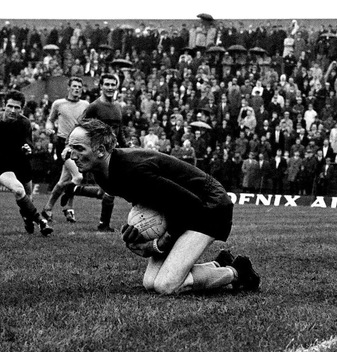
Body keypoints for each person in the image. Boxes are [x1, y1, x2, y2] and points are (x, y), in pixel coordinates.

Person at [67, 118, 260, 295]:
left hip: (209, 207)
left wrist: (158, 244)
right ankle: (219, 263)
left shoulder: (133, 170)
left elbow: (188, 205)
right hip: (183, 208)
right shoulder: (103, 172)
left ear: (100, 150)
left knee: (166, 285)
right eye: (70, 147)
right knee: (150, 282)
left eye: (78, 148)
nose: (71, 154)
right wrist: (138, 230)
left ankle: (237, 271)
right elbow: (149, 201)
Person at [0, 90, 53, 236]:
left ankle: (27, 218)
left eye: (17, 108)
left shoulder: (25, 123)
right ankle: (41, 222)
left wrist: (28, 149)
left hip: (21, 161)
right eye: (10, 106)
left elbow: (29, 143)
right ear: (4, 105)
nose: (13, 110)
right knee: (19, 191)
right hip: (1, 164)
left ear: (22, 109)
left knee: (28, 197)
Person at [40, 77, 90, 223]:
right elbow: (50, 119)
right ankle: (68, 207)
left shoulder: (85, 105)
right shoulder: (59, 104)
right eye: (74, 86)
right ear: (68, 88)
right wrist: (49, 128)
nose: (76, 89)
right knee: (78, 177)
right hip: (63, 144)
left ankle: (48, 208)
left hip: (79, 144)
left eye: (79, 87)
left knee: (64, 181)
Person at [82, 73, 126, 232]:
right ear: (101, 86)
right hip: (99, 151)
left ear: (116, 87)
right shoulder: (94, 106)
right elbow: (82, 127)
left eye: (113, 85)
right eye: (107, 84)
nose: (110, 87)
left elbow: (119, 130)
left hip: (113, 151)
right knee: (110, 187)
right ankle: (103, 224)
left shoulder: (118, 107)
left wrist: (126, 147)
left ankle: (74, 190)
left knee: (106, 189)